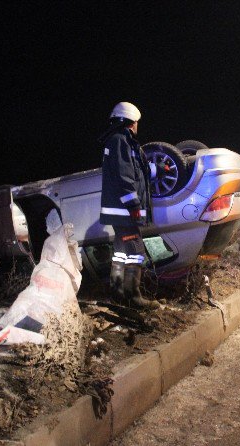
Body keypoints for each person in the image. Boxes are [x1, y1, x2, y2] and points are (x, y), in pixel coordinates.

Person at [99, 102, 160, 309]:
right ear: (130, 121)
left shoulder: (122, 142)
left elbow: (137, 171)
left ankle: (117, 293)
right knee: (135, 250)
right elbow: (124, 177)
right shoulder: (120, 141)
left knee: (121, 251)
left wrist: (158, 168)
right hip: (125, 212)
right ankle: (133, 297)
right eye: (136, 122)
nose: (137, 126)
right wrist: (133, 205)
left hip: (120, 212)